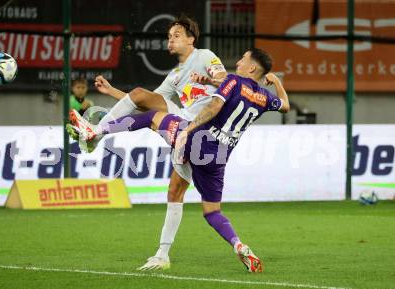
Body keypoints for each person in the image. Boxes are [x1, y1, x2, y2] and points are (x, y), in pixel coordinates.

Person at [70, 48, 290, 272]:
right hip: (218, 158)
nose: (239, 61)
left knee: (150, 118)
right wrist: (276, 82)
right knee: (210, 210)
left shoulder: (230, 79)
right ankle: (238, 245)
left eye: (243, 58)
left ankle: (94, 133)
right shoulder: (264, 97)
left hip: (197, 139)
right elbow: (286, 105)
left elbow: (214, 106)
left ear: (252, 67)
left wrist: (189, 129)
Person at [75, 15, 227, 270]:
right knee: (174, 192)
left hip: (203, 129)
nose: (171, 39)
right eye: (169, 36)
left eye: (176, 35)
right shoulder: (175, 75)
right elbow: (140, 100)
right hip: (183, 127)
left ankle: (96, 132)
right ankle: (162, 255)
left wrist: (212, 80)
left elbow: (225, 81)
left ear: (191, 38)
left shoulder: (204, 56)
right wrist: (112, 92)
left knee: (177, 191)